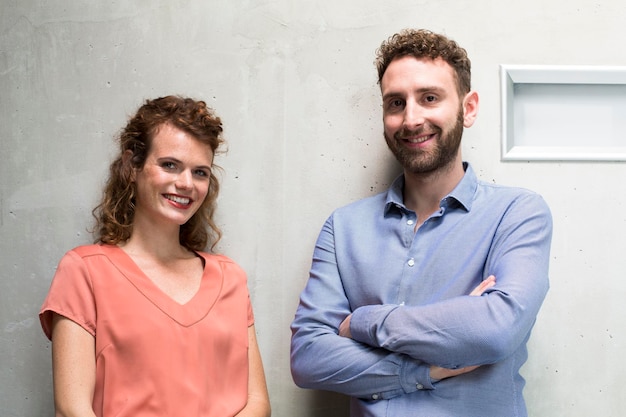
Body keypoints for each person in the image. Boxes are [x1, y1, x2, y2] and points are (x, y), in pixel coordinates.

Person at [290, 29, 552, 417]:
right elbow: (309, 357)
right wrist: (428, 369)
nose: (411, 119)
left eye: (429, 98)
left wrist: (363, 321)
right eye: (396, 103)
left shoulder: (517, 213)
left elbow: (495, 330)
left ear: (470, 108)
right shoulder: (343, 228)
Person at [40, 96, 271, 417]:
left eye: (200, 172)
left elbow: (257, 403)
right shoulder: (85, 271)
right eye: (170, 165)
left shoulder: (230, 277)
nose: (186, 183)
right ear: (132, 167)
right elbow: (71, 409)